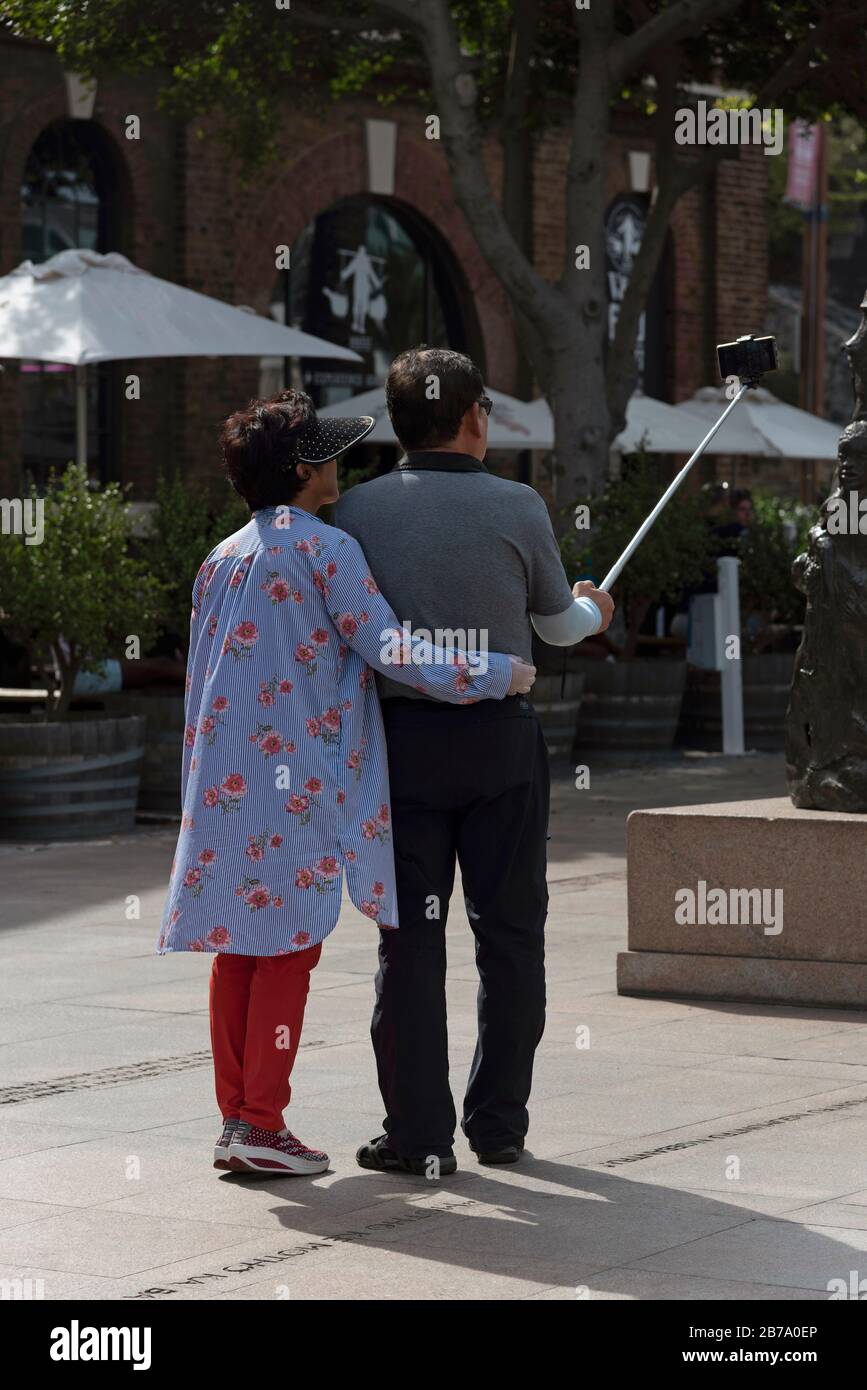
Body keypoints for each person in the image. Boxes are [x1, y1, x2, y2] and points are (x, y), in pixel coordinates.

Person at [156, 388, 535, 1177]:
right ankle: (262, 1124)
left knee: (239, 951)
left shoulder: (222, 556)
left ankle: (237, 1119)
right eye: (326, 453)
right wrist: (498, 672)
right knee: (290, 949)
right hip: (295, 788)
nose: (340, 465)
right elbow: (391, 649)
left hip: (225, 784)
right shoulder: (327, 551)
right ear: (302, 469)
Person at [334, 346, 614, 1174]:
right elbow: (557, 629)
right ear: (473, 417)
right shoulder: (519, 505)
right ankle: (498, 1125)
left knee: (409, 945)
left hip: (403, 747)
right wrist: (594, 611)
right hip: (500, 743)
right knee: (511, 934)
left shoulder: (355, 514)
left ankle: (419, 1136)